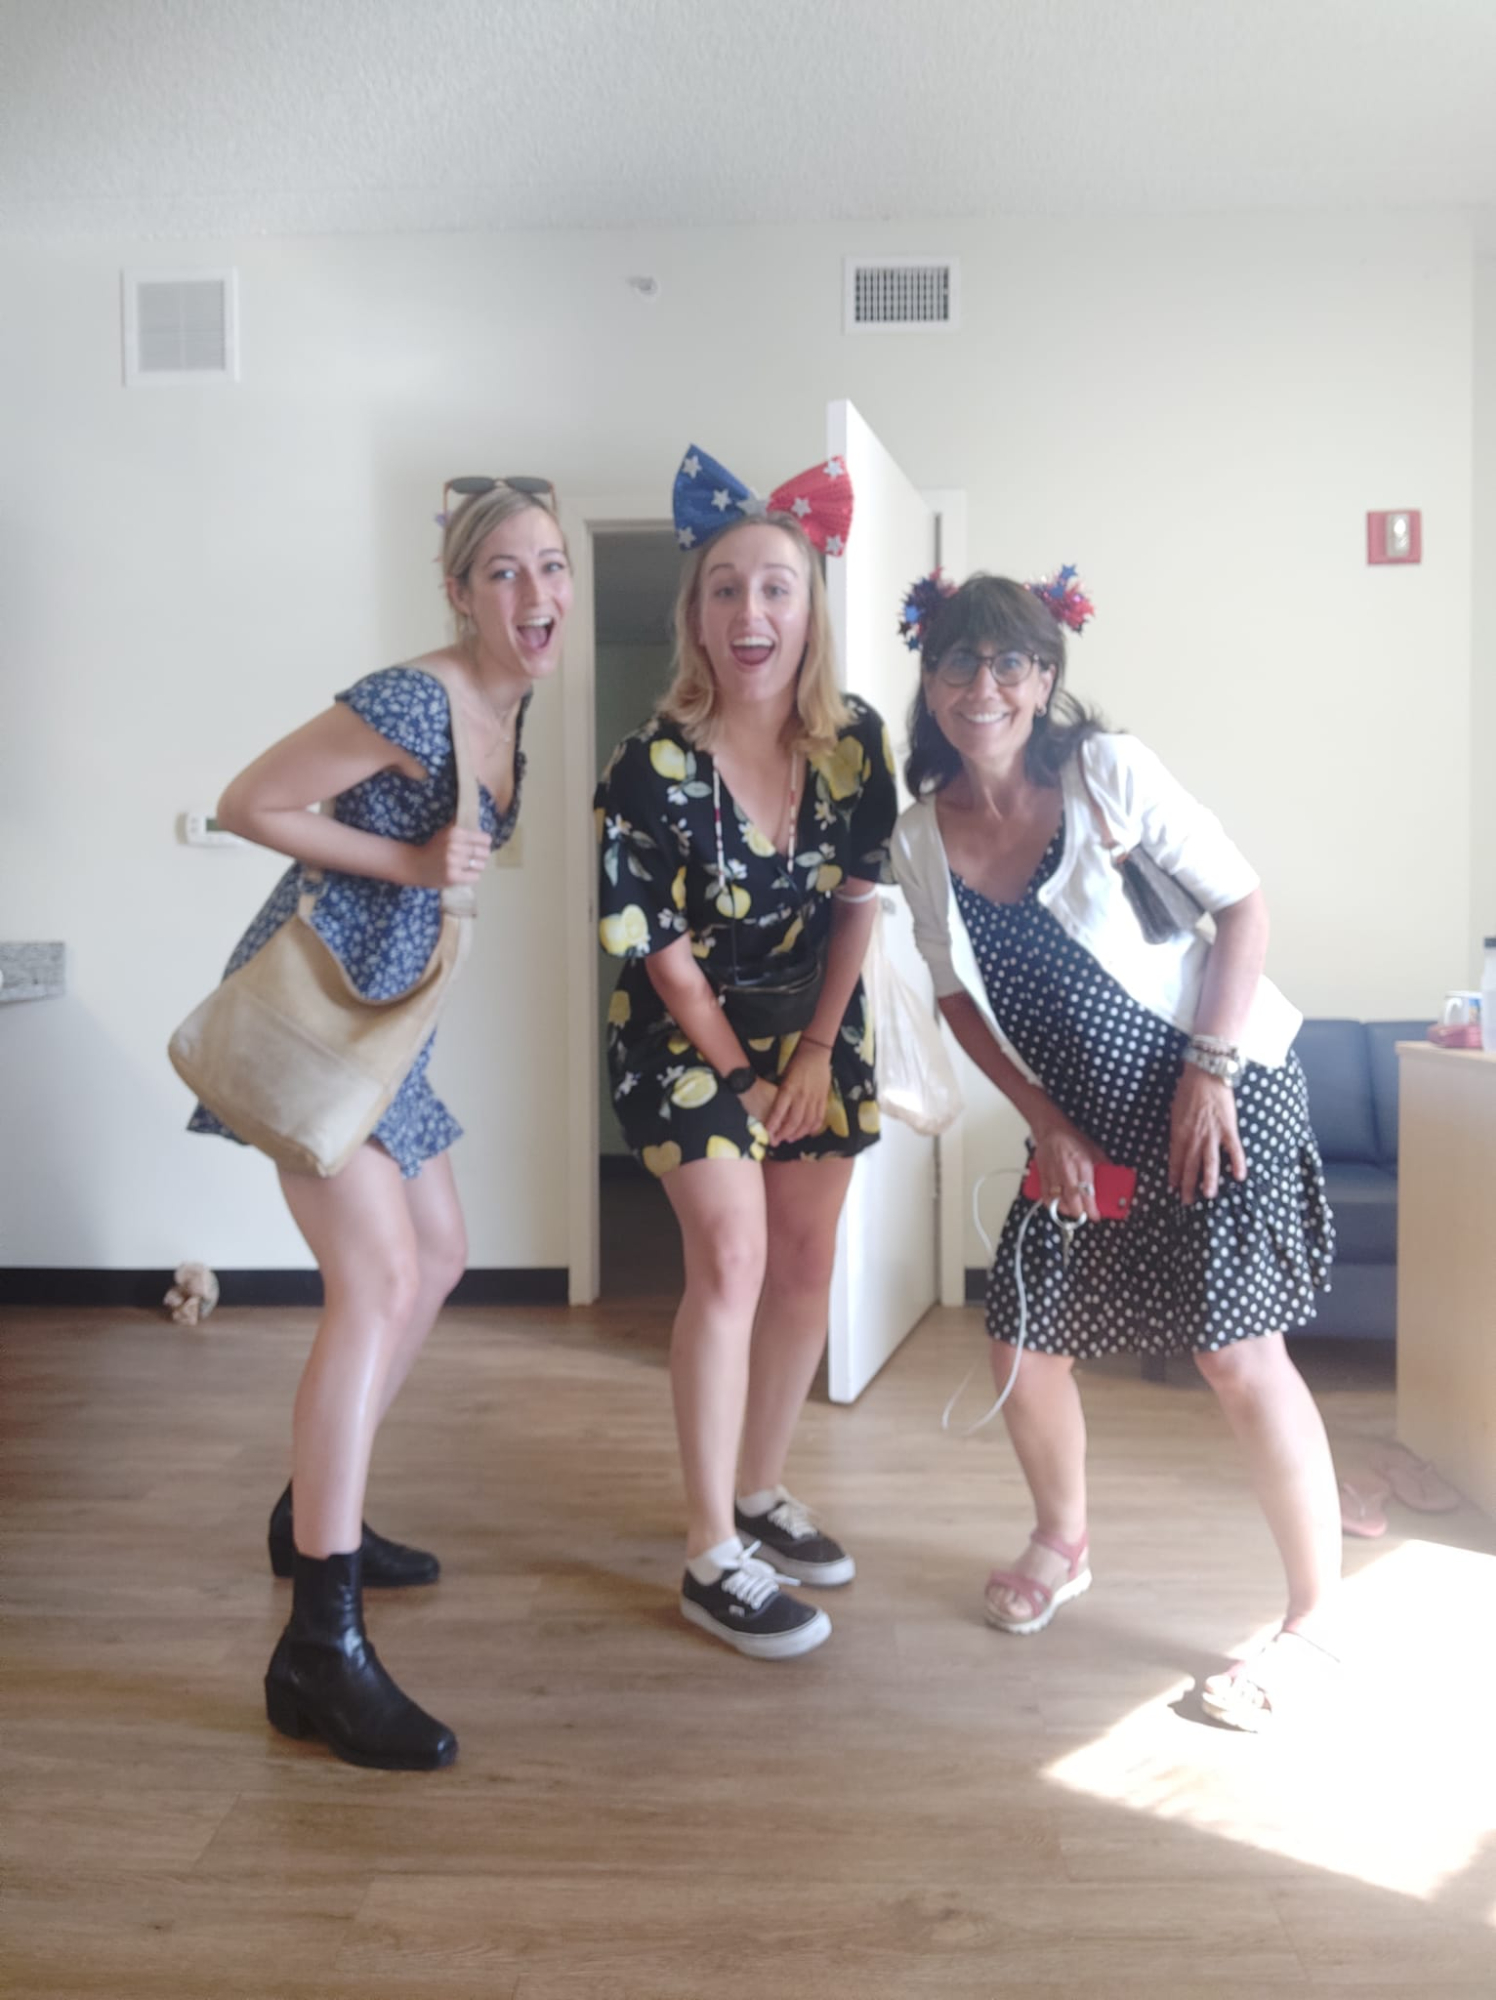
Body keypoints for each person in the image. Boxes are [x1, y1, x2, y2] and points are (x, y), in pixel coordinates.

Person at [891, 567, 1339, 1730]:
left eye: (1006, 663)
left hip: (1220, 1086)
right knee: (1019, 1337)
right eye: (954, 661)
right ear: (927, 679)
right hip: (1079, 1115)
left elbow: (1242, 908)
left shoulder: (1106, 772)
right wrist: (1041, 1120)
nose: (978, 686)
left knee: (1236, 1358)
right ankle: (1062, 1538)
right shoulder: (918, 838)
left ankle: (1311, 1624)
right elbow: (951, 995)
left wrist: (1208, 1065)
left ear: (1042, 679)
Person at [190, 476, 571, 1766]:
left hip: (390, 1029)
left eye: (551, 567)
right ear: (459, 591)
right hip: (322, 1019)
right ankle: (319, 1645)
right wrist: (412, 864)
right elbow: (249, 802)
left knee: (440, 1255)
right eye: (504, 571)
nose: (535, 594)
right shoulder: (414, 696)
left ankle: (313, 1505)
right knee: (377, 1280)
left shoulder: (512, 710)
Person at [594, 445, 896, 1660]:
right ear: (695, 615)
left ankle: (762, 1487)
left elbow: (860, 900)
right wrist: (745, 1075)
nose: (749, 611)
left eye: (773, 586)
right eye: (724, 587)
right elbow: (658, 950)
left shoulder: (855, 743)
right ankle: (709, 1549)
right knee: (731, 1250)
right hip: (683, 1030)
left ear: (806, 609)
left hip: (815, 1017)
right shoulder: (648, 763)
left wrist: (816, 1045)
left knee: (805, 1257)